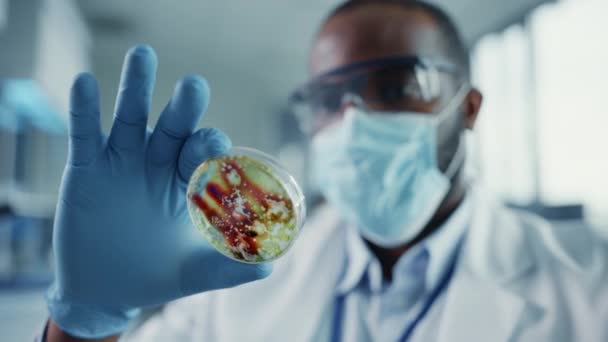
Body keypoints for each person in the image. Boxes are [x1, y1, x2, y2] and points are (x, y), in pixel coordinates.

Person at [40, 1, 608, 341]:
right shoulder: (242, 282)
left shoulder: (587, 293)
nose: (353, 120)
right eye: (327, 98)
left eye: (395, 86)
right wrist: (84, 324)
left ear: (468, 108)